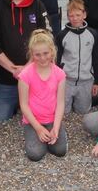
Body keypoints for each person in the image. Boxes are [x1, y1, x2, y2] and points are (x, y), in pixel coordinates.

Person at [18, 29, 68, 161]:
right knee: (35, 154)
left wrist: (56, 127)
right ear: (32, 54)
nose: (42, 58)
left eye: (46, 53)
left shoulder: (60, 74)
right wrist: (38, 128)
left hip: (52, 119)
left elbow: (60, 103)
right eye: (37, 55)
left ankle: (56, 132)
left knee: (60, 151)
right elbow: (23, 105)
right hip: (33, 120)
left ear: (52, 51)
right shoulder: (25, 75)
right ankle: (35, 134)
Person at [55, 0, 98, 114]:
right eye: (71, 16)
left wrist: (97, 81)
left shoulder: (93, 34)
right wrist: (56, 80)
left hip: (86, 81)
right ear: (67, 17)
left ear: (84, 15)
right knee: (63, 112)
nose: (75, 18)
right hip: (66, 80)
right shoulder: (62, 35)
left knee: (83, 111)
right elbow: (57, 59)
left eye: (78, 15)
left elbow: (97, 59)